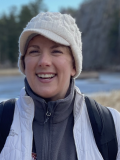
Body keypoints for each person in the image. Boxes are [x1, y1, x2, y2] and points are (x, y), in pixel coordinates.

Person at [0, 12, 120, 160]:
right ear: (24, 64)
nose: (44, 61)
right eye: (34, 51)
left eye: (56, 51)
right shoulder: (2, 119)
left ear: (74, 66)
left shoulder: (112, 125)